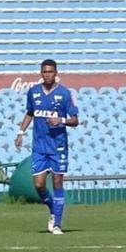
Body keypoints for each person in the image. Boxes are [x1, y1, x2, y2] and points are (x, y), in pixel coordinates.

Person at [14, 59, 79, 234]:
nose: (47, 74)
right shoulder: (33, 92)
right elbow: (30, 113)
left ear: (56, 73)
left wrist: (61, 120)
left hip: (58, 146)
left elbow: (75, 120)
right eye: (45, 71)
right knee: (39, 184)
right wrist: (20, 132)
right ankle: (52, 208)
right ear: (41, 73)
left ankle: (57, 223)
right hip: (39, 146)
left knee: (57, 182)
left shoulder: (65, 93)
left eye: (50, 71)